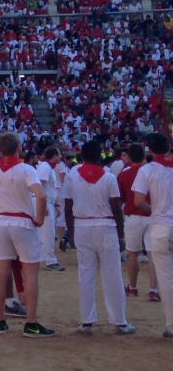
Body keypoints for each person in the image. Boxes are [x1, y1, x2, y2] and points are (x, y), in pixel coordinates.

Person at [61, 140, 135, 335]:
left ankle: (86, 321)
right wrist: (121, 235)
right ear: (99, 156)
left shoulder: (71, 177)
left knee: (85, 275)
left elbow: (68, 208)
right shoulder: (108, 177)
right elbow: (116, 208)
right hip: (106, 226)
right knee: (112, 275)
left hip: (82, 226)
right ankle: (120, 321)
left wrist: (71, 233)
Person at [0, 132, 54, 338]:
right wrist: (39, 218)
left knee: (1, 272)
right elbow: (41, 195)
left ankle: (0, 321)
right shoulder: (26, 169)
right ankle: (31, 323)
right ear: (18, 148)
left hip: (1, 221)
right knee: (30, 273)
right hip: (22, 222)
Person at [132, 133, 173, 338]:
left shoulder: (146, 170)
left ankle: (172, 325)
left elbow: (138, 201)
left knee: (166, 278)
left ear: (150, 150)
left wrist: (154, 210)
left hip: (160, 225)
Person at [116, 142, 158, 300]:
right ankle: (153, 290)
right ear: (144, 156)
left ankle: (132, 287)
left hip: (133, 216)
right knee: (153, 254)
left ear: (129, 156)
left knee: (133, 254)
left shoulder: (124, 174)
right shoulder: (152, 171)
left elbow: (120, 198)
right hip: (152, 215)